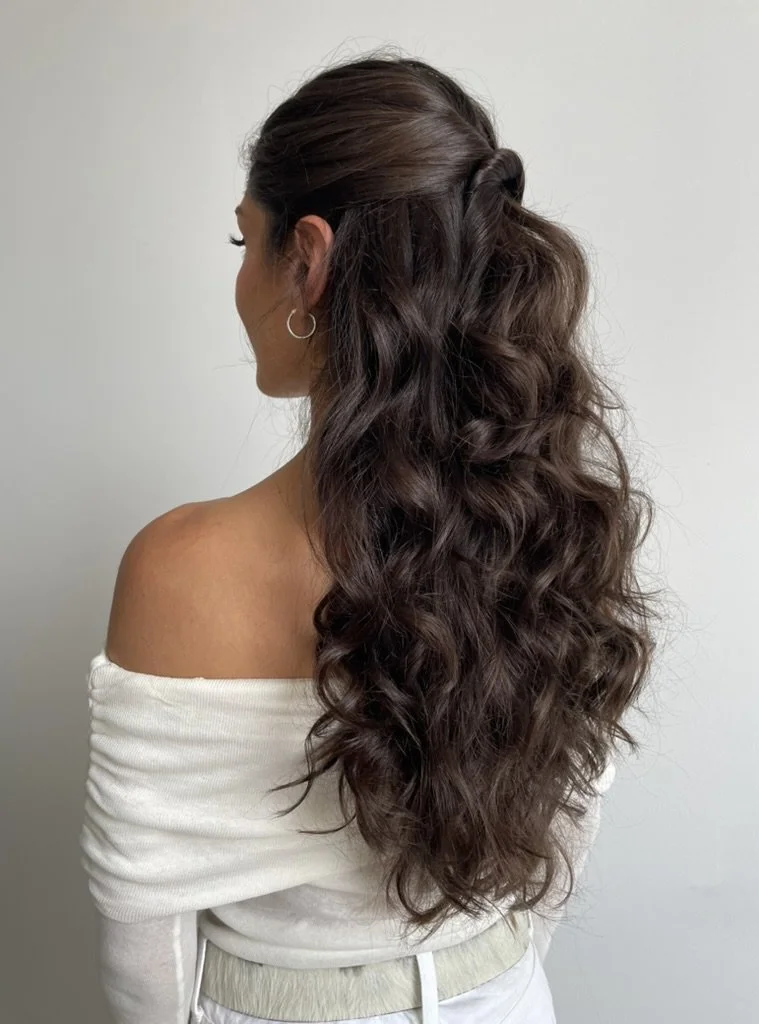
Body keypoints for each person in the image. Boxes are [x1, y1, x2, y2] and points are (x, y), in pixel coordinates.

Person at [80, 51, 658, 1024]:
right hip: (507, 995)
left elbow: (147, 952)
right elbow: (562, 841)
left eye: (242, 245)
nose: (240, 282)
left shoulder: (179, 570)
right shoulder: (556, 517)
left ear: (307, 256)